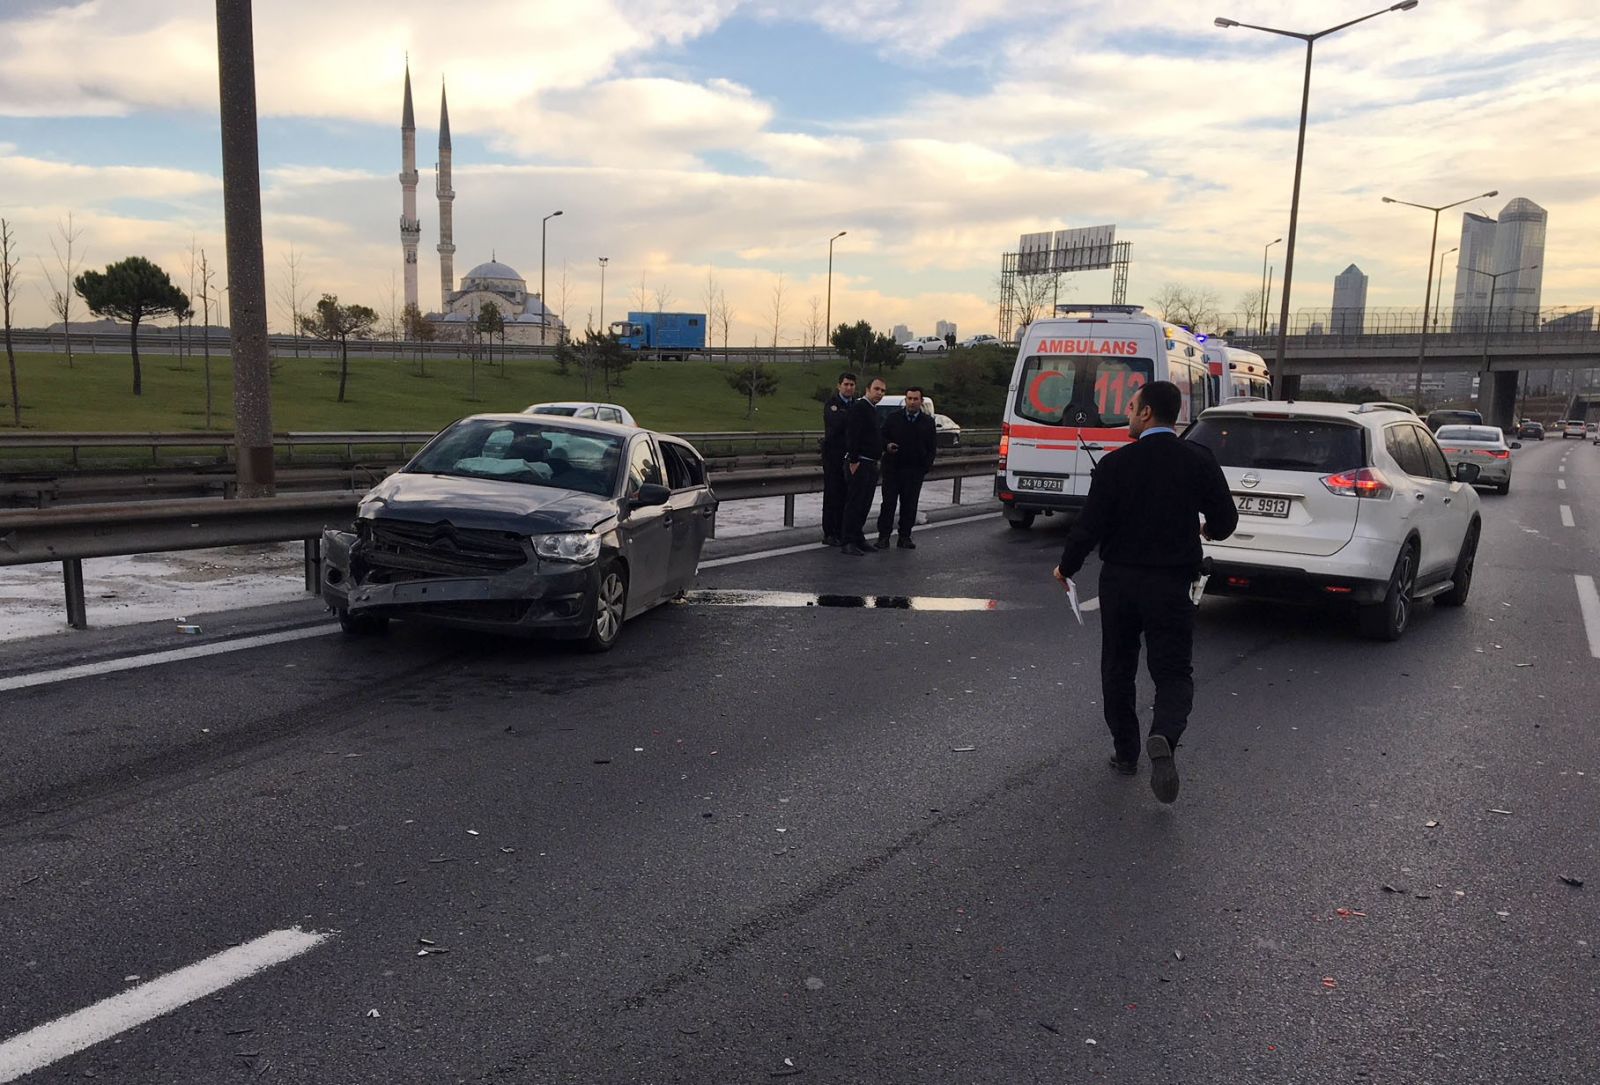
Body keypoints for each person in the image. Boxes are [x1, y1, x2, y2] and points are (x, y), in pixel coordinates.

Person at [1052, 380, 1237, 804]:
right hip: (1171, 583)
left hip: (1119, 583)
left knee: (1117, 667)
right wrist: (1207, 528)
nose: (1129, 414)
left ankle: (1125, 752)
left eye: (1132, 406)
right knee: (1173, 672)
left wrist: (1067, 567)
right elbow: (1226, 519)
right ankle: (1164, 735)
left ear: (1148, 413)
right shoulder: (1198, 459)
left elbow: (1089, 526)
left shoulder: (1116, 465)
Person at [876, 386, 938, 549]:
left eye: (915, 399)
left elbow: (932, 448)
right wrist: (887, 446)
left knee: (909, 504)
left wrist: (925, 466)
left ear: (921, 401)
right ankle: (883, 537)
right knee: (888, 504)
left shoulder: (927, 422)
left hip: (914, 470)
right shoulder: (893, 418)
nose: (912, 402)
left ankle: (905, 537)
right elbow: (881, 437)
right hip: (893, 468)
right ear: (906, 400)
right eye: (909, 399)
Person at [840, 377, 887, 555]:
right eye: (877, 389)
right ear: (868, 389)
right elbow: (852, 434)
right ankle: (848, 540)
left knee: (864, 504)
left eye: (883, 390)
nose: (880, 393)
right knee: (854, 503)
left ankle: (858, 536)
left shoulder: (872, 409)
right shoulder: (860, 408)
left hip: (871, 463)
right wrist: (853, 460)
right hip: (860, 461)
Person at [820, 372, 857, 545]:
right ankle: (829, 533)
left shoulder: (855, 405)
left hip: (850, 458)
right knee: (832, 496)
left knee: (846, 496)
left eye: (851, 385)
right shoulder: (832, 404)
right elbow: (836, 423)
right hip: (833, 458)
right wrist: (850, 417)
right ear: (839, 386)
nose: (849, 388)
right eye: (846, 384)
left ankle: (842, 531)